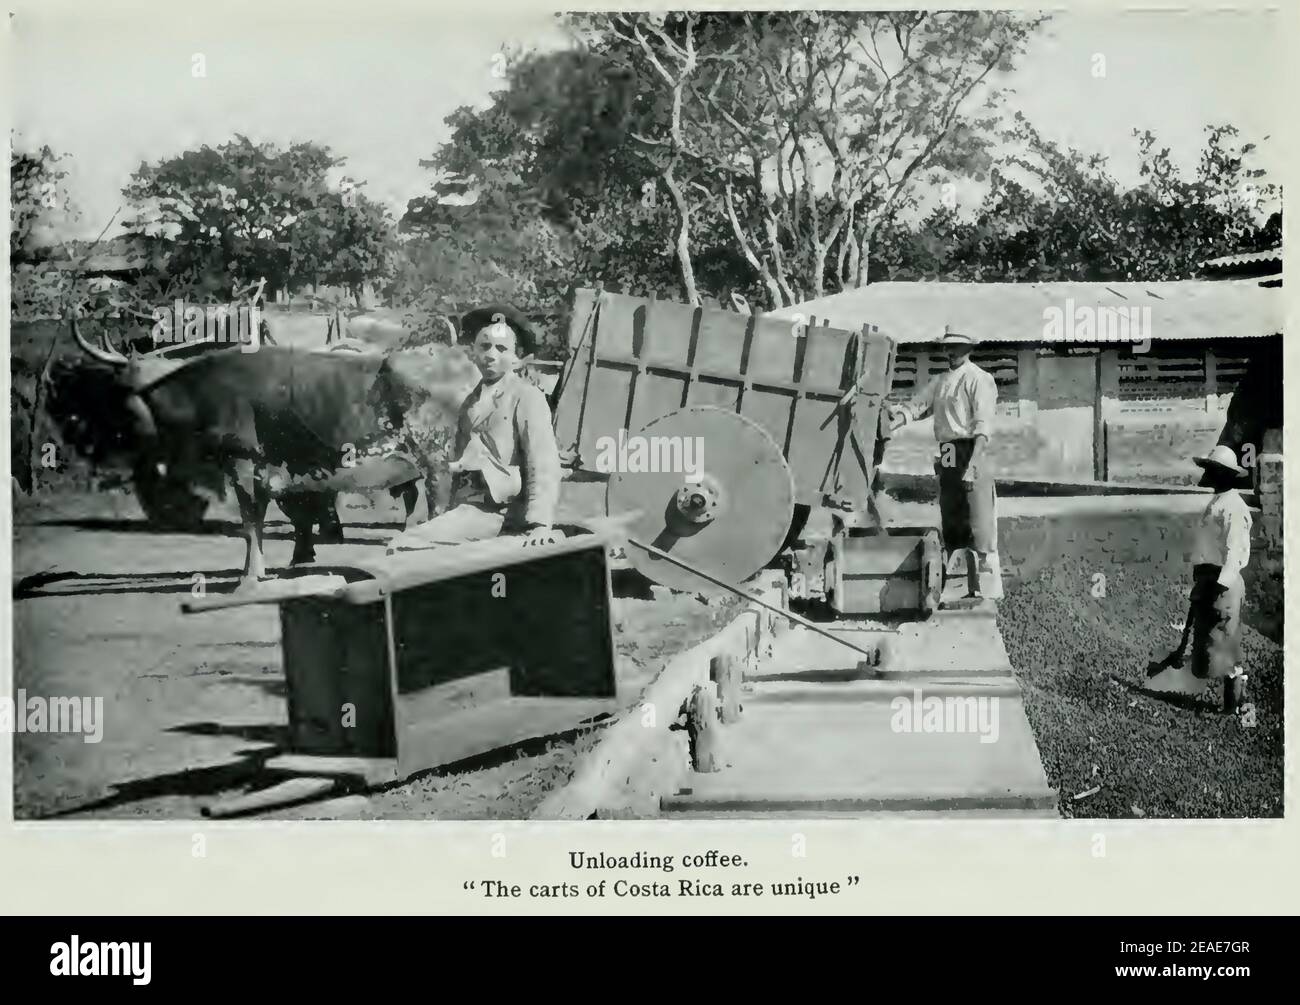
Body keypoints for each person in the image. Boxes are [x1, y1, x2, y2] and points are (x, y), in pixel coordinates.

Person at [386, 303, 562, 553]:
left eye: (502, 348)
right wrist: (449, 514)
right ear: (474, 352)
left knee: (404, 545)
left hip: (502, 511)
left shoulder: (527, 396)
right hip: (470, 510)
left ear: (517, 356)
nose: (491, 355)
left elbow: (542, 461)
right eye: (485, 346)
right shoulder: (470, 401)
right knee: (416, 545)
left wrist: (540, 524)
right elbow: (459, 462)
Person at [887, 328, 1001, 599]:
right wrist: (893, 422)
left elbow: (983, 426)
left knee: (978, 515)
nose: (951, 351)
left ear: (969, 348)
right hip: (948, 449)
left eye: (957, 346)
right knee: (951, 508)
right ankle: (957, 584)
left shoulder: (979, 379)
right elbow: (915, 408)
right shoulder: (939, 381)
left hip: (972, 448)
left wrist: (974, 462)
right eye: (948, 346)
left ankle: (986, 586)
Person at [1146, 444, 1252, 711]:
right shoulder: (1218, 502)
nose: (1208, 476)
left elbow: (1235, 551)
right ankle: (1233, 700)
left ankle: (1234, 704)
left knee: (1225, 643)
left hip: (1222, 586)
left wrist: (1218, 585)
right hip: (1209, 581)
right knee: (1208, 642)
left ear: (1225, 475)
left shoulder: (1233, 508)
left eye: (1213, 471)